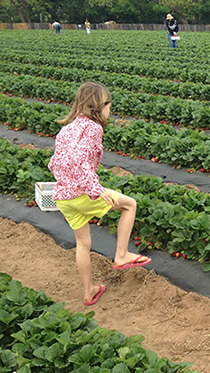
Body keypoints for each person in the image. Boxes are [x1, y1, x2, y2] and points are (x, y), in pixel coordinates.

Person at [48, 82, 151, 307]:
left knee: (83, 243)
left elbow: (56, 162)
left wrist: (69, 183)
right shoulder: (93, 128)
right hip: (81, 194)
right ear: (99, 106)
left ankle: (89, 292)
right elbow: (78, 160)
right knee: (129, 205)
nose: (110, 109)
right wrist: (96, 189)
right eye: (108, 104)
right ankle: (122, 254)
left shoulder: (69, 127)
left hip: (63, 196)